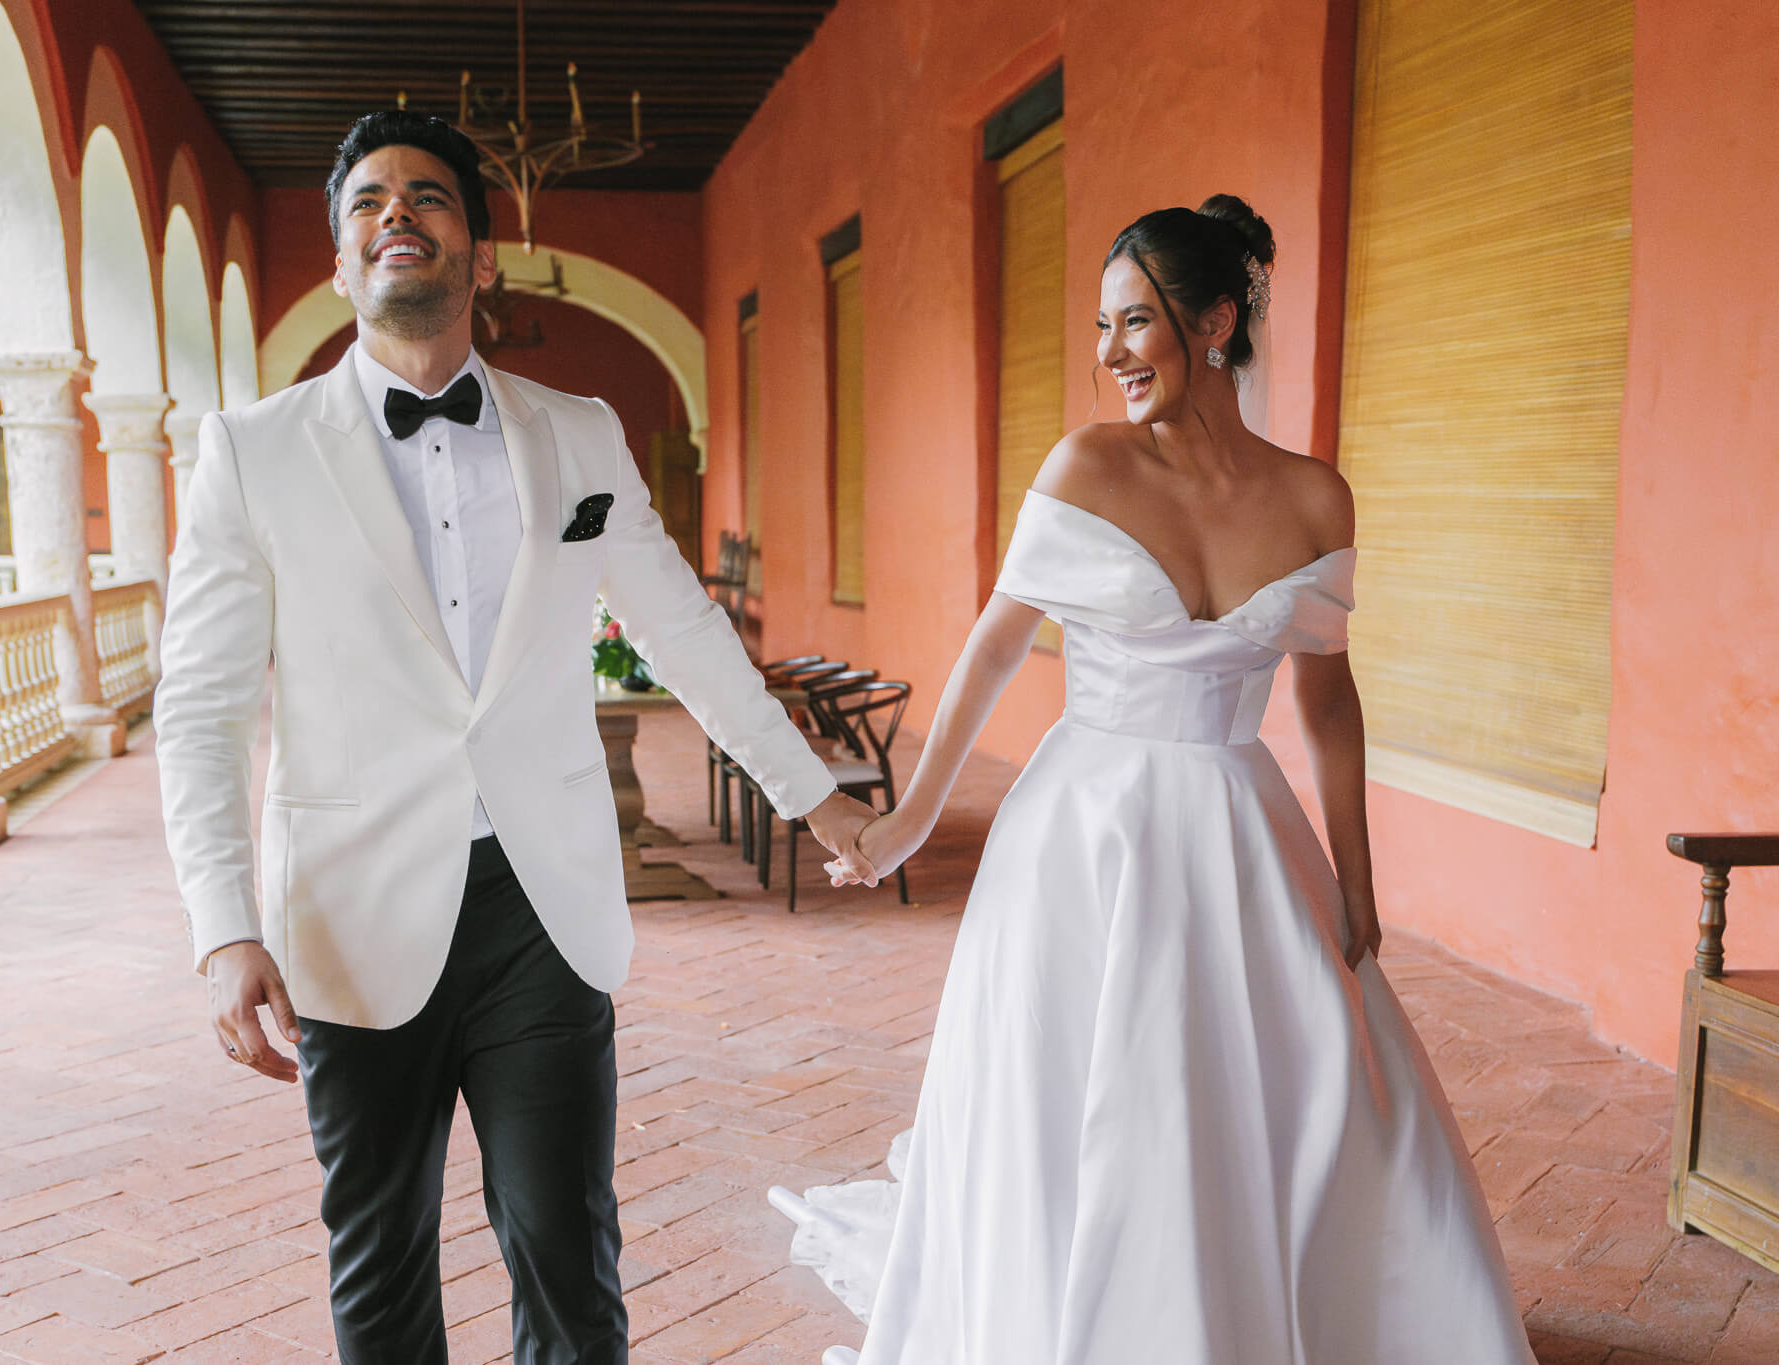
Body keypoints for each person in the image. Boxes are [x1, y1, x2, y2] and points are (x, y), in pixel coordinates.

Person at [154, 110, 878, 1365]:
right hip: (349, 904)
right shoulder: (251, 452)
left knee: (567, 1254)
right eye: (369, 202)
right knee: (379, 1267)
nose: (398, 216)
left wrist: (817, 798)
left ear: (480, 254)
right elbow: (203, 703)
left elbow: (685, 635)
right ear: (339, 263)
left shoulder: (580, 432)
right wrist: (224, 927)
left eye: (428, 198)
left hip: (543, 904)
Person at [773, 196, 1534, 1364]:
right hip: (1080, 830)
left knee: (1279, 1091)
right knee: (1069, 1091)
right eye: (1099, 326)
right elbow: (990, 645)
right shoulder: (1085, 465)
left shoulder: (1314, 496)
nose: (1107, 355)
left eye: (1134, 323)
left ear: (1216, 322)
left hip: (1236, 828)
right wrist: (906, 820)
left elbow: (1325, 704)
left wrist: (1356, 884)